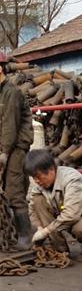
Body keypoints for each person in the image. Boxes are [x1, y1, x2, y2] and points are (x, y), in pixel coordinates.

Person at [25, 149, 82, 256]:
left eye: (38, 177)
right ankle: (59, 251)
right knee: (38, 200)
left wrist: (46, 231)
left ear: (51, 169)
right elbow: (32, 209)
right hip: (69, 220)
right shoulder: (41, 184)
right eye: (33, 177)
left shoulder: (72, 181)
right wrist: (39, 227)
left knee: (81, 228)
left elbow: (71, 215)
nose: (36, 181)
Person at [0, 51, 34, 248]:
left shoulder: (11, 92)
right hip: (4, 146)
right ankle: (8, 232)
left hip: (16, 148)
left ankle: (24, 236)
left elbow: (9, 126)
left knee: (13, 190)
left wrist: (4, 153)